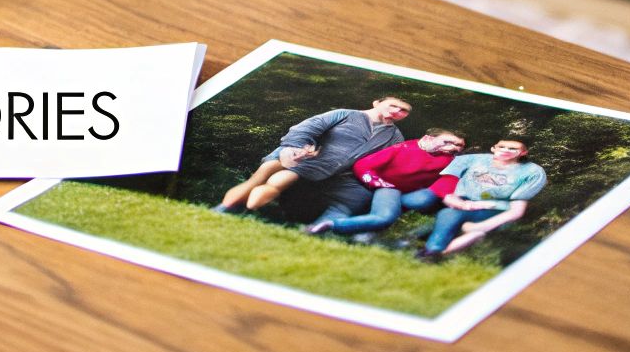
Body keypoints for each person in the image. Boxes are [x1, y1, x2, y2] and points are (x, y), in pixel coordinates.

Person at [215, 96, 412, 214]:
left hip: (320, 166)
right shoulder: (345, 114)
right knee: (261, 176)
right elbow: (306, 128)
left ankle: (244, 209)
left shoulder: (395, 137)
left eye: (403, 111)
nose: (397, 111)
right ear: (377, 102)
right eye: (393, 105)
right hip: (295, 151)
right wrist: (296, 148)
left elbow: (383, 163)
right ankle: (224, 209)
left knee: (279, 180)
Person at [302, 129, 467, 238]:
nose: (454, 148)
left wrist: (444, 195)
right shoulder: (404, 147)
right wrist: (377, 182)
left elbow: (449, 181)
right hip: (386, 188)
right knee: (381, 216)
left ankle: (335, 231)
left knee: (415, 202)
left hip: (407, 196)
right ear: (428, 138)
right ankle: (322, 227)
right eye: (448, 142)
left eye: (459, 146)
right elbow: (364, 165)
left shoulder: (453, 162)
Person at [415, 138, 547, 261]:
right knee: (448, 214)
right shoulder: (474, 160)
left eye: (513, 149)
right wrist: (452, 198)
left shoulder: (532, 171)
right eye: (502, 147)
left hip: (495, 211)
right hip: (463, 204)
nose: (506, 150)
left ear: (523, 152)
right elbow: (447, 183)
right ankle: (432, 251)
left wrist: (481, 226)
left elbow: (517, 211)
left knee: (471, 230)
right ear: (493, 148)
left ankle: (432, 254)